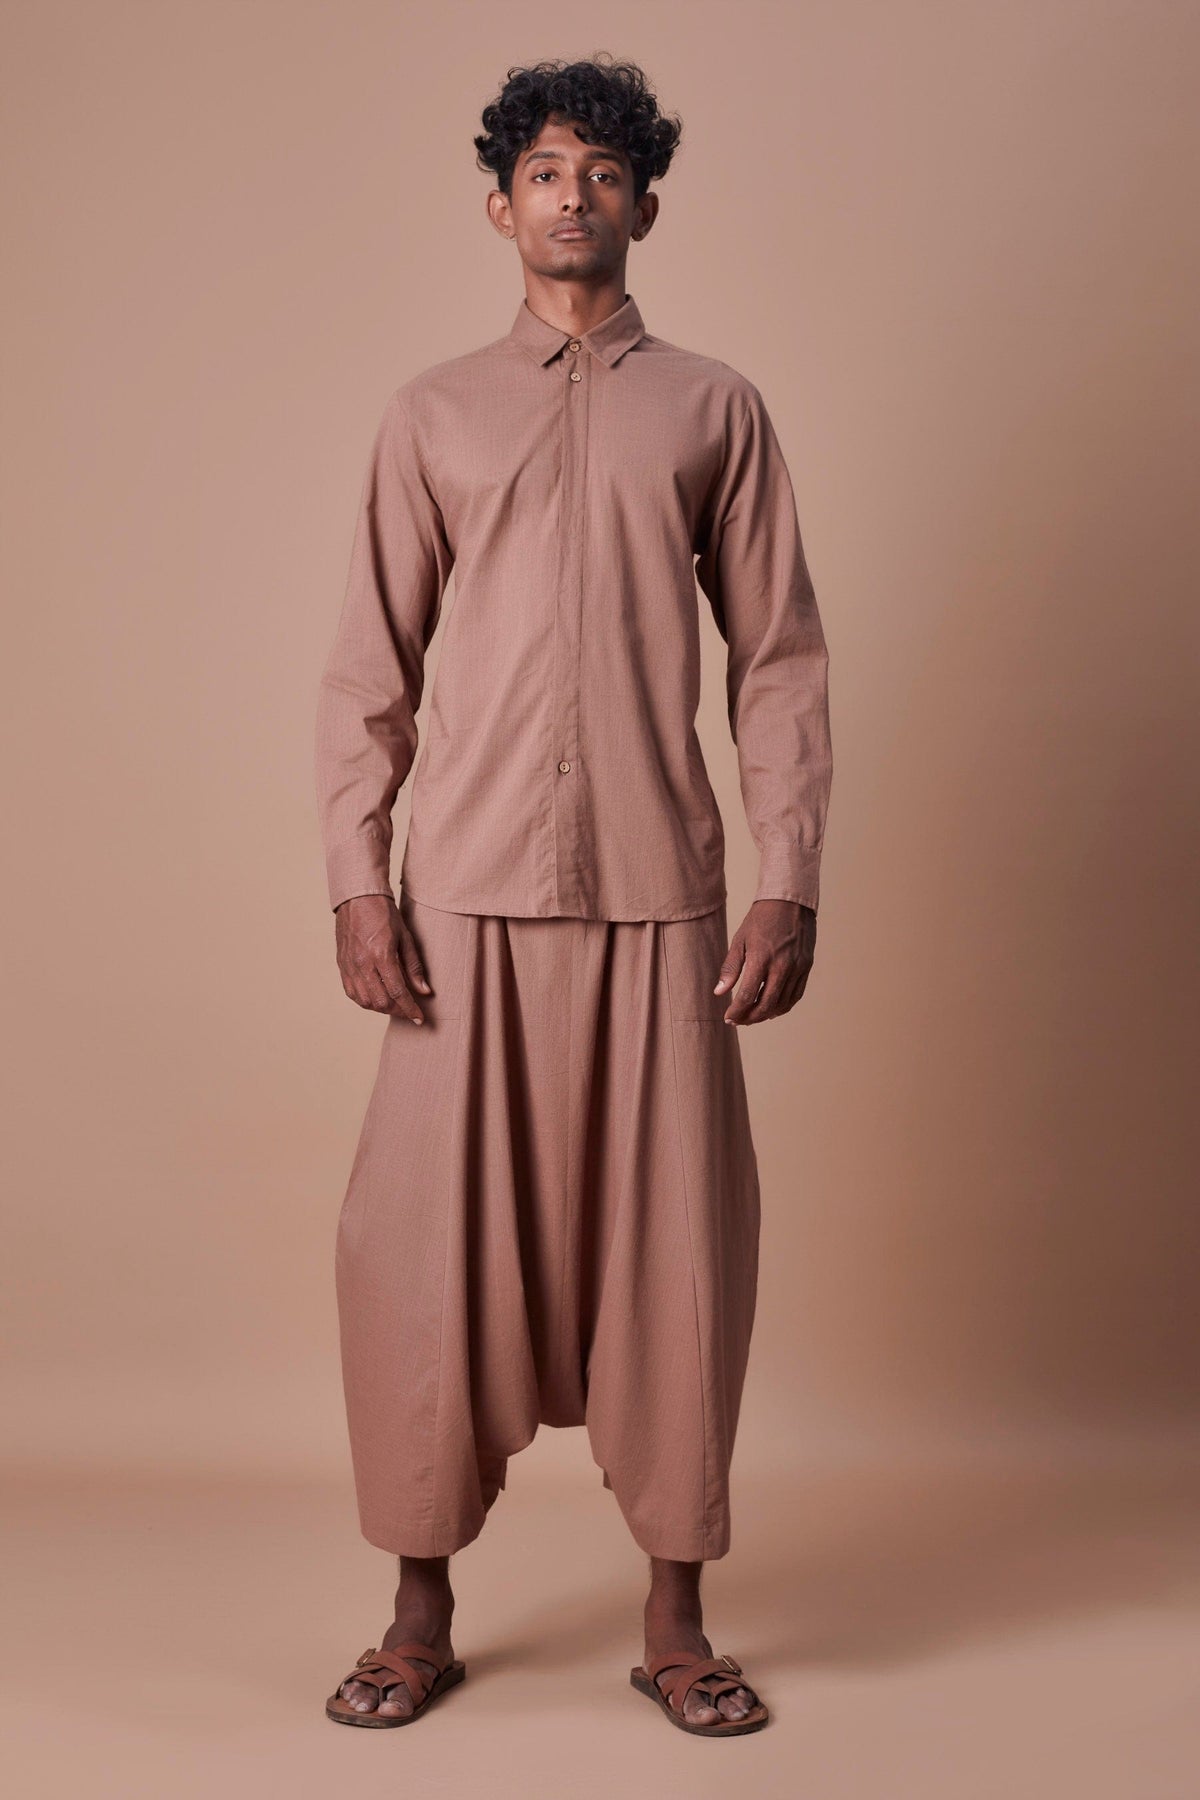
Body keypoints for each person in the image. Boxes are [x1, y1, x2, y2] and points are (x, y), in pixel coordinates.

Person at [314, 53, 832, 1738]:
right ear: (500, 205)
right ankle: (418, 1613)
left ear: (645, 207)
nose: (573, 197)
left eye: (604, 173)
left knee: (680, 1256)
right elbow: (368, 669)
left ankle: (676, 1622)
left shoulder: (716, 411)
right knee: (419, 1255)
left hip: (660, 893)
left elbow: (779, 659)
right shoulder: (432, 415)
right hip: (461, 900)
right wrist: (357, 877)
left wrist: (786, 879)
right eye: (546, 171)